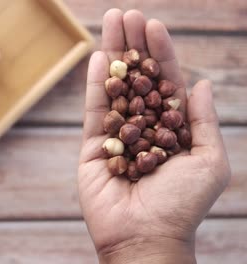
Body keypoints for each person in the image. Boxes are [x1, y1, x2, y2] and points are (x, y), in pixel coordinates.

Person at [78, 9, 232, 264]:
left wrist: (149, 243)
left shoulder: (148, 122)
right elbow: (137, 122)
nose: (139, 116)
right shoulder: (134, 120)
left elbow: (142, 121)